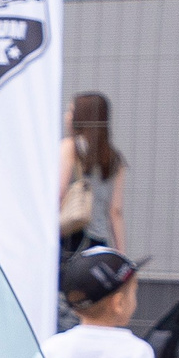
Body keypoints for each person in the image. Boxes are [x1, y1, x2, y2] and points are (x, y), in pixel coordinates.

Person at [59, 91, 127, 255]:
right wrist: (121, 256)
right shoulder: (115, 158)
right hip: (99, 244)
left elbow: (58, 195)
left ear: (81, 117)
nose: (66, 116)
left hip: (70, 241)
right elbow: (115, 211)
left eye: (71, 111)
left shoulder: (70, 147)